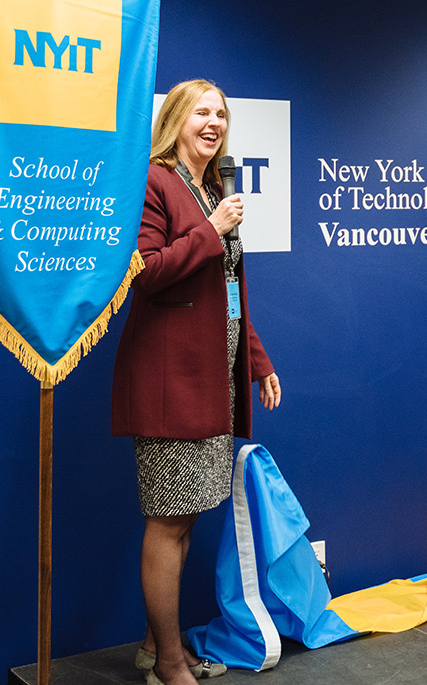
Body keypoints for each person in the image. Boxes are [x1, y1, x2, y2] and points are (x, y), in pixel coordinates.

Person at [111, 79, 281, 684]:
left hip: (214, 378)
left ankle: (158, 647)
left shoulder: (212, 190)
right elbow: (145, 271)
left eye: (221, 114)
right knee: (168, 520)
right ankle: (168, 664)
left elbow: (229, 295)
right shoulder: (154, 181)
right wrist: (211, 231)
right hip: (169, 381)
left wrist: (257, 361)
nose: (213, 122)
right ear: (176, 120)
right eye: (201, 112)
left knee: (185, 520)